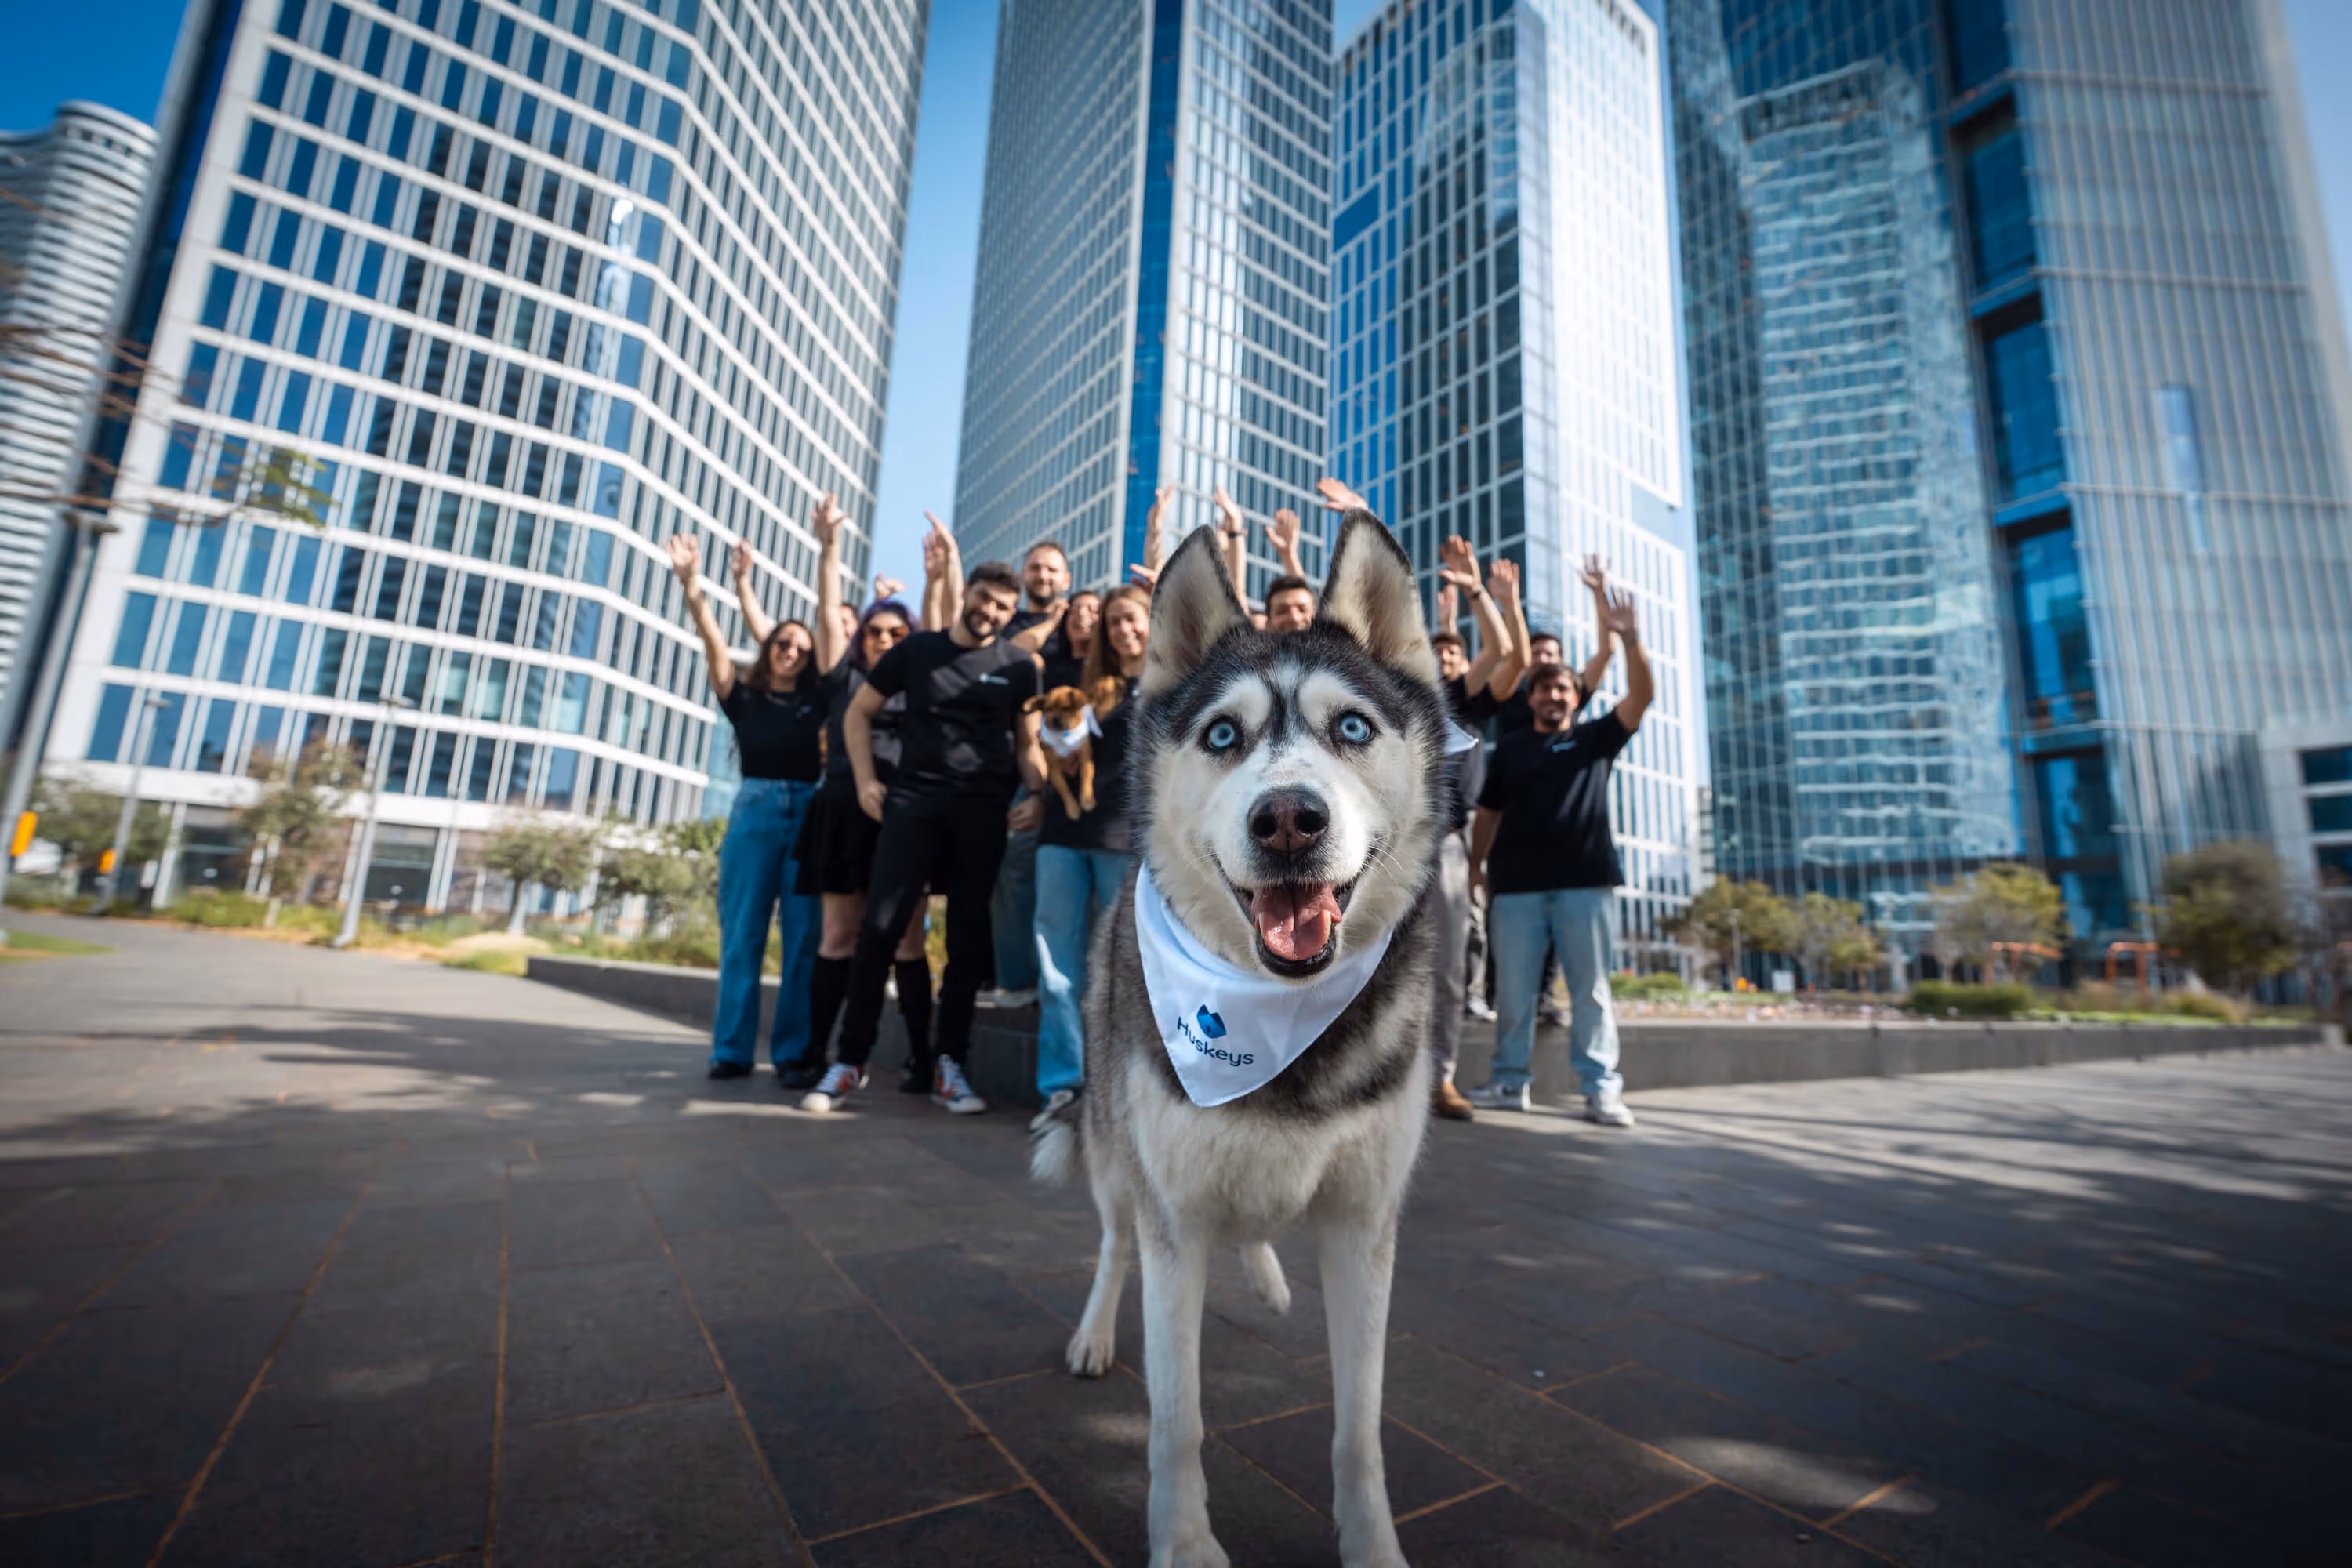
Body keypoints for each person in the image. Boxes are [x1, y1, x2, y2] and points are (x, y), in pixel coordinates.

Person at [804, 561, 1048, 1115]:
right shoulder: (915, 652)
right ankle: (849, 1062)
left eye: (1003, 607)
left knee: (966, 942)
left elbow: (1026, 744)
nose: (991, 611)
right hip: (912, 806)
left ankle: (949, 1065)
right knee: (880, 931)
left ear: (1012, 614)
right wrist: (867, 780)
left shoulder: (1018, 667)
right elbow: (857, 714)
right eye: (984, 598)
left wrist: (1038, 796)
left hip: (983, 815)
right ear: (966, 594)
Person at [1465, 583, 1654, 1126]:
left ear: (1576, 697)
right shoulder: (1511, 750)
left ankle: (1600, 1089)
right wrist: (1478, 866)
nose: (1552, 696)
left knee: (1591, 993)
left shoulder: (1597, 738)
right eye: (1543, 690)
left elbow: (1640, 698)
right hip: (1516, 889)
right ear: (1531, 699)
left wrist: (1632, 641)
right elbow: (1489, 814)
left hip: (1584, 885)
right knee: (1515, 995)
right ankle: (1508, 1083)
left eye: (1562, 690)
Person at [667, 524, 827, 1081]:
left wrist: (745, 585)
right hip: (755, 813)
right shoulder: (744, 697)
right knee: (743, 936)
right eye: (783, 643)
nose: (791, 651)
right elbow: (712, 636)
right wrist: (694, 585)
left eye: (802, 649)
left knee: (804, 938)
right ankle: (731, 1051)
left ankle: (791, 1055)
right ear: (769, 648)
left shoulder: (819, 703)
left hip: (810, 814)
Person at [783, 498, 930, 1090]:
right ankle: (818, 1055)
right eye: (874, 632)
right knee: (838, 936)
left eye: (898, 632)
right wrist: (829, 549)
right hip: (843, 811)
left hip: (904, 816)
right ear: (859, 639)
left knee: (909, 940)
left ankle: (924, 1060)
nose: (885, 640)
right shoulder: (844, 677)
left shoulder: (923, 683)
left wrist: (938, 572)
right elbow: (825, 611)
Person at [1029, 581, 1151, 1134]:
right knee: (1057, 972)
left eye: (1133, 619)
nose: (1125, 630)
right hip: (1062, 835)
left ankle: (1119, 1088)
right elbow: (1048, 742)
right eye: (1115, 623)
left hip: (1126, 841)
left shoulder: (1178, 683)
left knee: (1124, 971)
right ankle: (1061, 1088)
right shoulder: (1083, 685)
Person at [1423, 544, 1527, 1120]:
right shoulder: (1401, 696)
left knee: (1447, 969)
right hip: (1386, 847)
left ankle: (1440, 1078)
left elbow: (1505, 651)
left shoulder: (1467, 703)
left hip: (1445, 845)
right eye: (1435, 651)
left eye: (1453, 653)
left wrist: (1477, 591)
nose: (1444, 659)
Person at [978, 539, 1073, 1010]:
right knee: (1013, 869)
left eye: (1053, 570)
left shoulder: (1081, 621)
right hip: (1022, 761)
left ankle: (1061, 982)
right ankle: (1016, 982)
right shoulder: (1010, 622)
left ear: (1067, 579)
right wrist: (1053, 621)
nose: (1043, 576)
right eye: (1035, 568)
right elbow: (1012, 654)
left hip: (1076, 767)